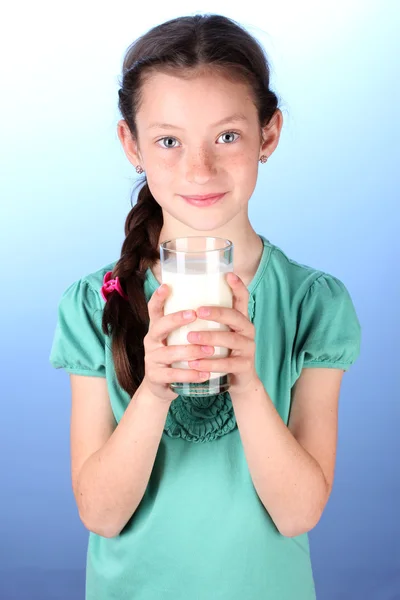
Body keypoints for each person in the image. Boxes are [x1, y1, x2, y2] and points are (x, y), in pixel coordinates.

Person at [49, 13, 362, 600]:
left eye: (227, 136)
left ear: (268, 135)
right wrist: (153, 391)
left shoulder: (313, 304)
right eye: (169, 141)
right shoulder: (95, 304)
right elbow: (101, 514)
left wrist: (247, 384)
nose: (199, 169)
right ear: (131, 144)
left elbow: (297, 514)